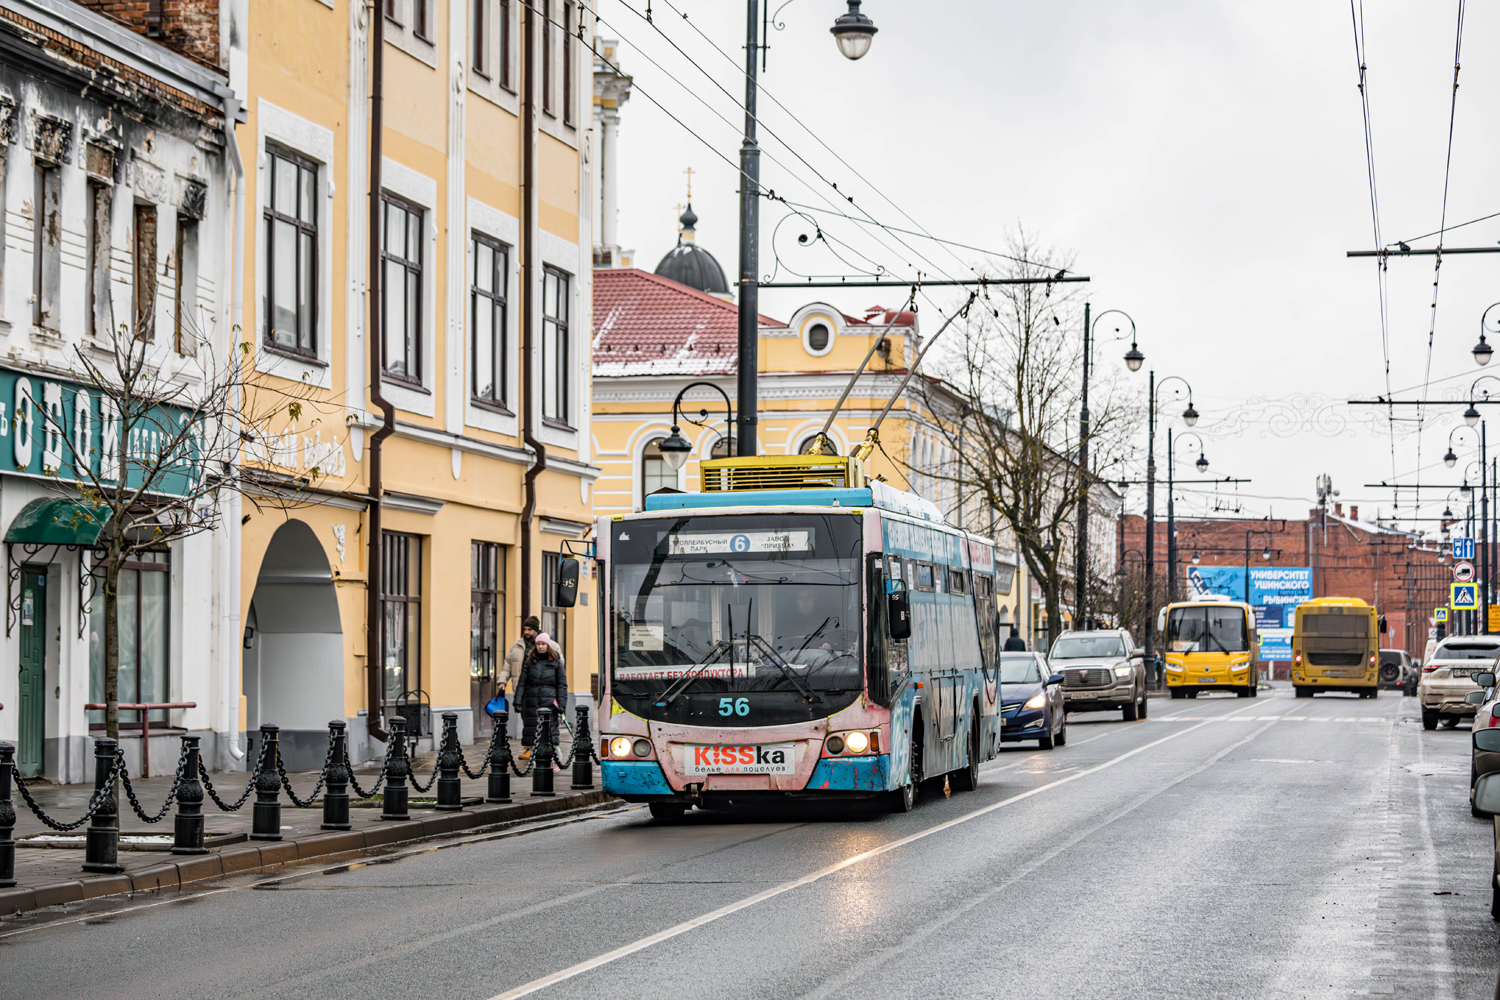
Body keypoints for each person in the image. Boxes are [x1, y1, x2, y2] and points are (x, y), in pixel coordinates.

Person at [515, 632, 567, 759]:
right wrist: (518, 701)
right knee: (531, 734)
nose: (540, 647)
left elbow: (562, 684)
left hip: (550, 704)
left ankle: (555, 759)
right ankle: (534, 761)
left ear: (548, 645)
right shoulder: (529, 661)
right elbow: (522, 682)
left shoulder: (556, 661)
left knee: (550, 733)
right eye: (538, 644)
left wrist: (562, 704)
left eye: (543, 644)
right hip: (531, 703)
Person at [501, 616, 541, 695]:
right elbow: (508, 665)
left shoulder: (549, 645)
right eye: (525, 629)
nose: (526, 632)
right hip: (520, 691)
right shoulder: (516, 646)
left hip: (540, 692)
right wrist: (502, 681)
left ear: (536, 630)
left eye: (529, 629)